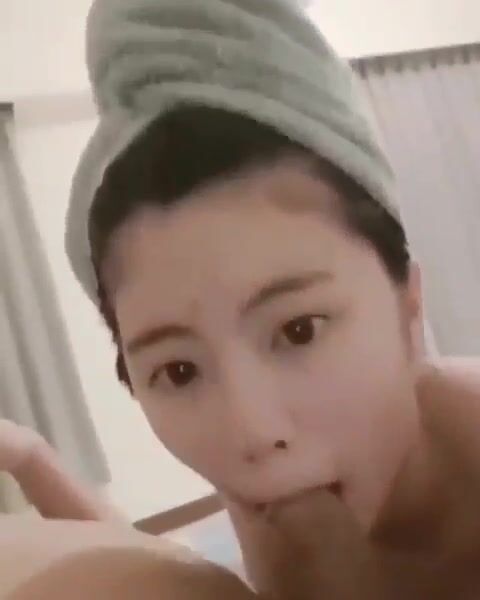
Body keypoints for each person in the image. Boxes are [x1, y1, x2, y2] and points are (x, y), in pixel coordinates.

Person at [56, 0, 480, 598]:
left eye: (299, 331)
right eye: (178, 371)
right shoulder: (288, 495)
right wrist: (33, 461)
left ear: (409, 307)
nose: (252, 430)